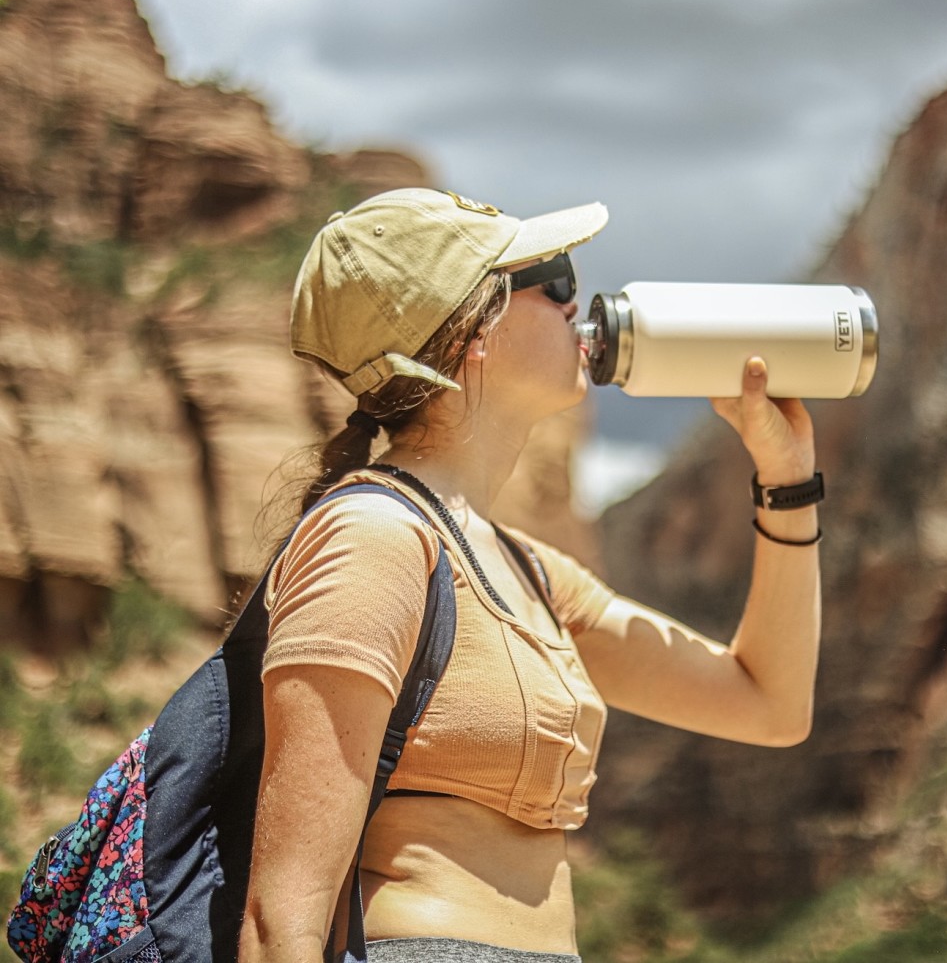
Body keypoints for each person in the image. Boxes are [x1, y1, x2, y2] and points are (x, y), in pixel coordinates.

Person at [238, 188, 821, 963]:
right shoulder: (372, 536)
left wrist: (787, 480)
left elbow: (768, 704)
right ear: (475, 332)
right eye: (555, 280)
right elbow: (281, 916)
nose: (579, 303)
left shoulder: (527, 571)